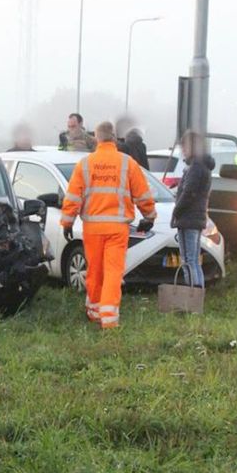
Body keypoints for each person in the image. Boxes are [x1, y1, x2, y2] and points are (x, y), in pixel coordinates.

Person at [60, 121, 157, 329]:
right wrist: (149, 217)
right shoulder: (127, 163)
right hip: (117, 229)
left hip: (92, 228)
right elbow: (143, 194)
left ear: (96, 138)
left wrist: (67, 222)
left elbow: (73, 197)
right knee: (113, 271)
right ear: (114, 137)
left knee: (94, 270)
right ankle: (110, 319)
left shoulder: (85, 164)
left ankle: (94, 311)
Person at [171, 130, 215, 289]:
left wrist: (176, 211)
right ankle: (198, 295)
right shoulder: (203, 166)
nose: (183, 149)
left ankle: (191, 298)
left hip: (188, 218)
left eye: (185, 146)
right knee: (194, 260)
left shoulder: (196, 167)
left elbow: (189, 193)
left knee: (188, 261)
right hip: (196, 217)